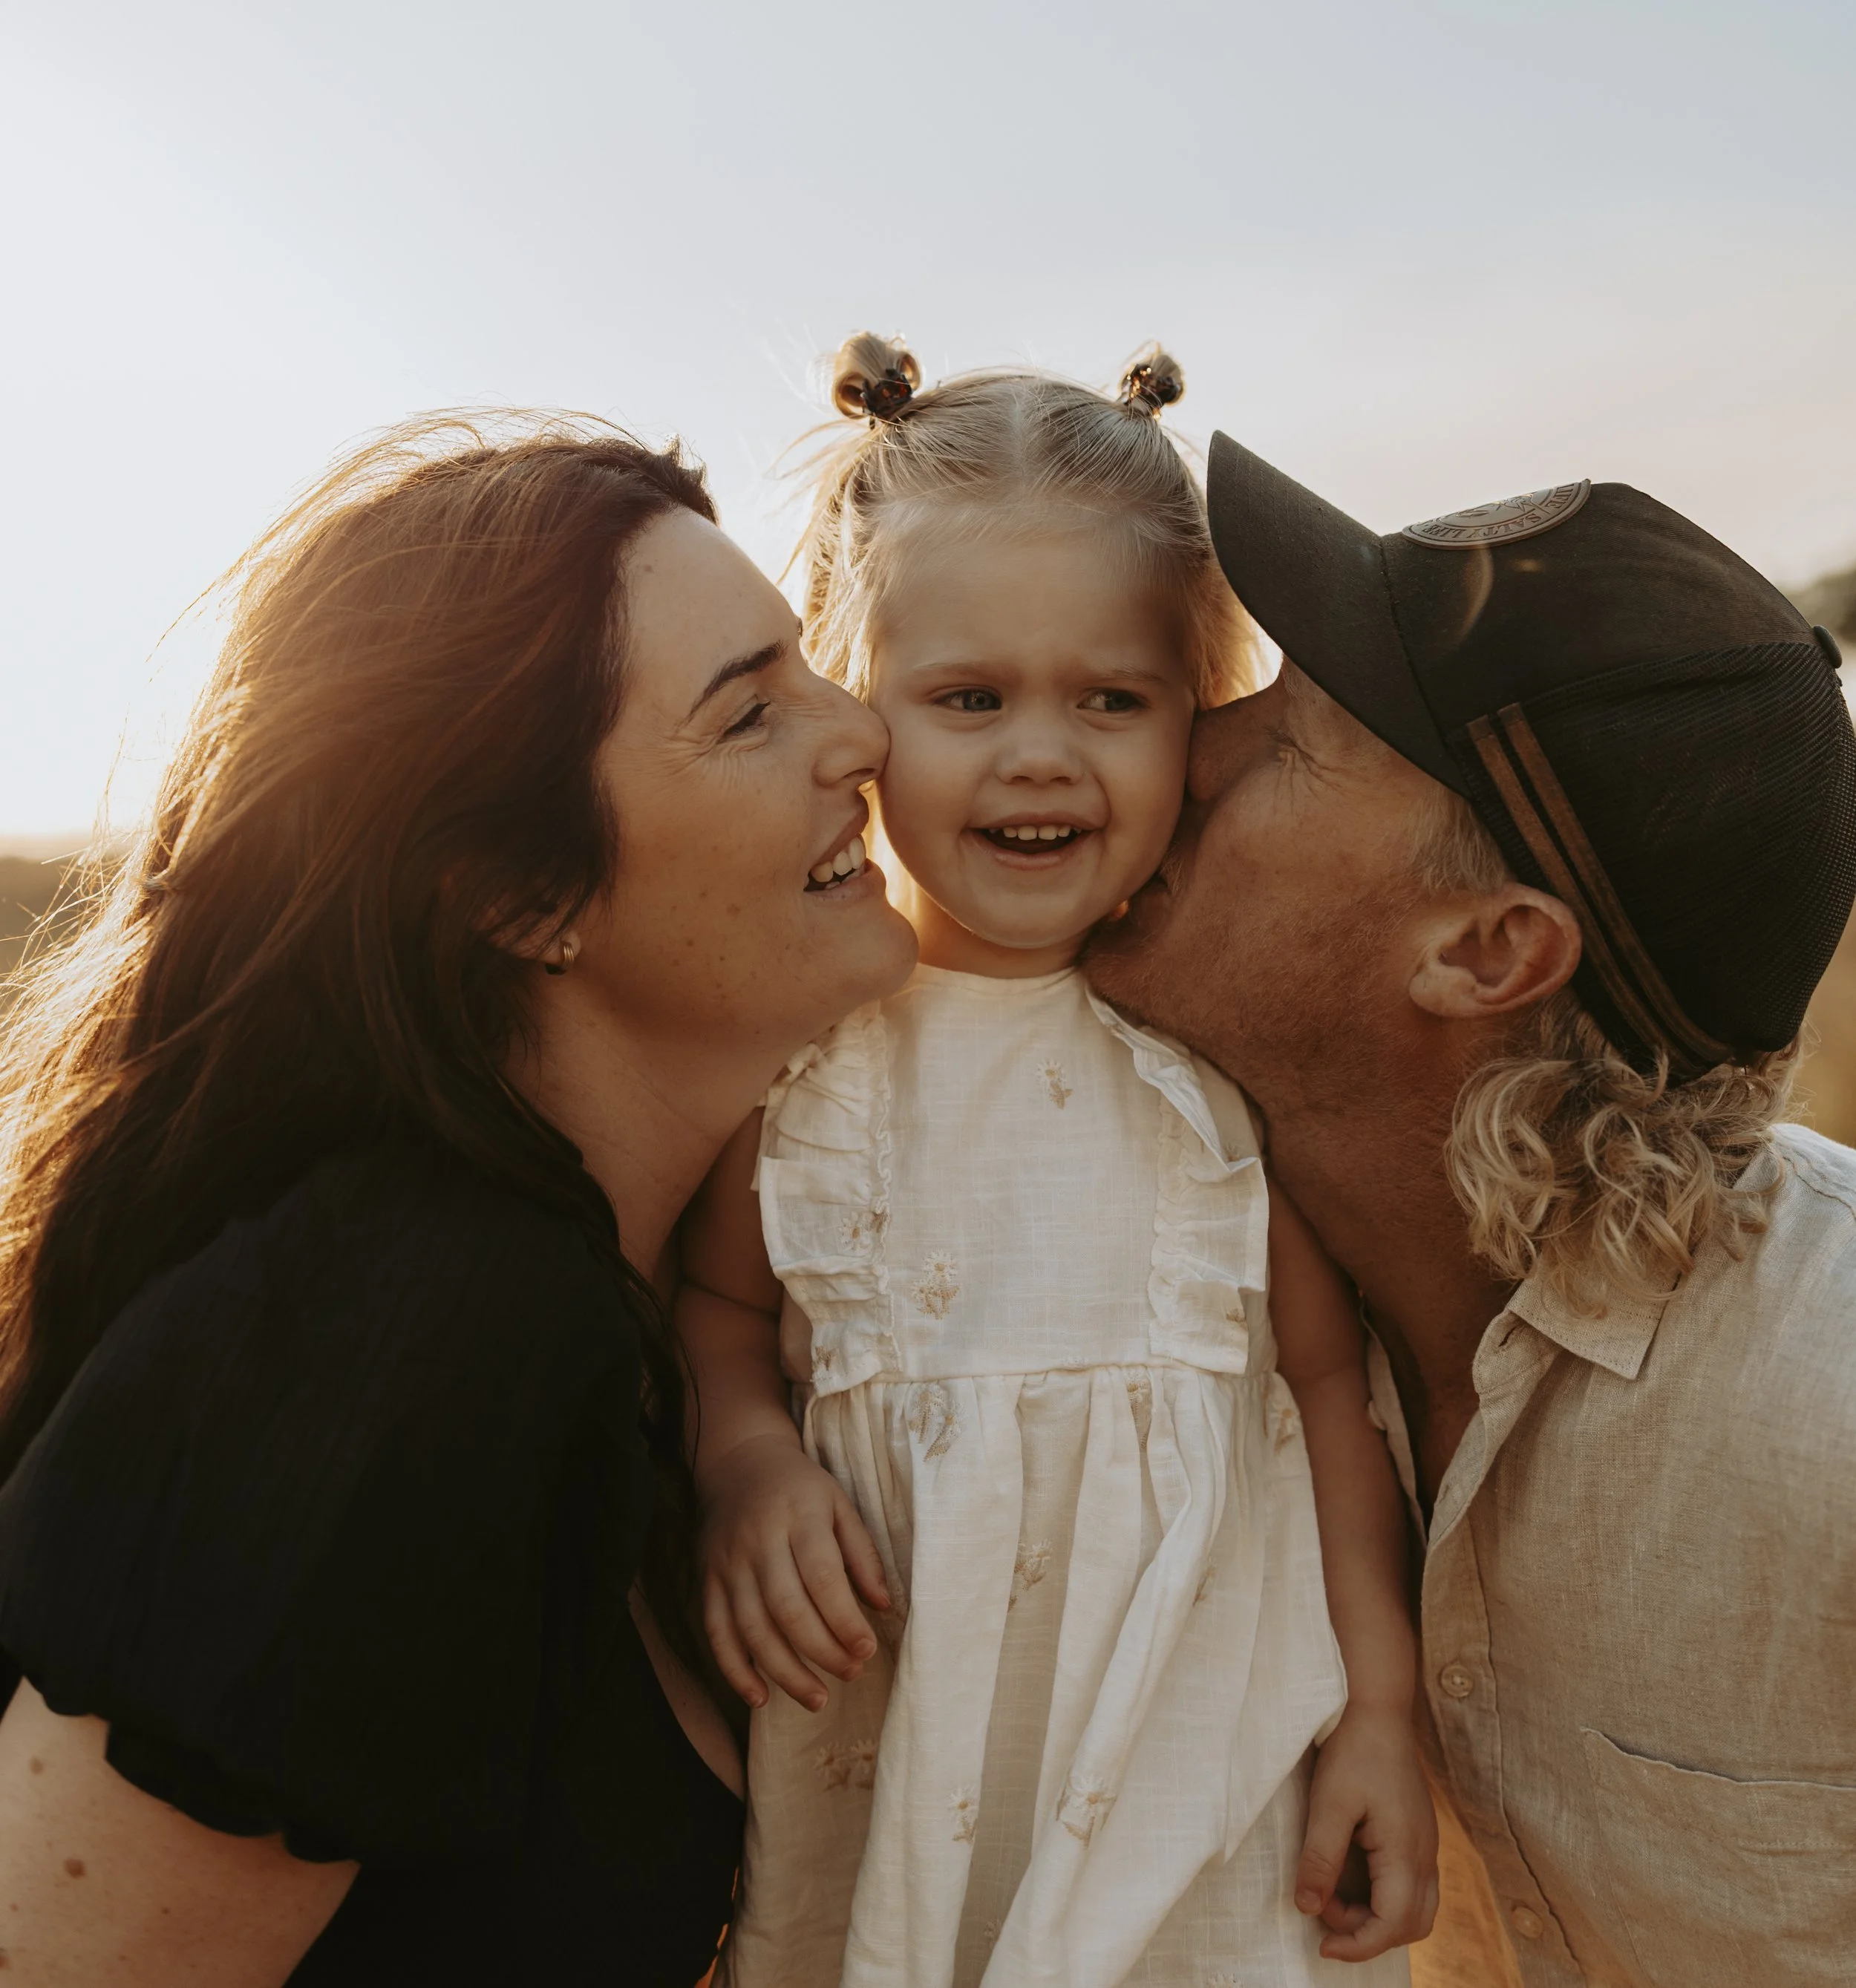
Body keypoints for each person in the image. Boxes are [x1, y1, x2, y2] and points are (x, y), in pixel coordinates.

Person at [0, 411, 919, 1987]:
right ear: (521, 894)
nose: (864, 734)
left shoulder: (645, 1316)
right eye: (749, 711)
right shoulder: (398, 1325)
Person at [679, 339, 1438, 1988]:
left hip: (1194, 1784)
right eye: (967, 700)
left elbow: (1325, 1400)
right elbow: (722, 1318)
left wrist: (1379, 1713)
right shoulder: (810, 1058)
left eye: (1111, 699)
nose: (1040, 753)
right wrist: (745, 1462)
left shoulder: (1217, 1054)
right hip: (893, 1755)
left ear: (1195, 715)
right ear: (854, 714)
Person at [1088, 445, 1856, 1988]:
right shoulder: (1158, 1328)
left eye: (1294, 732)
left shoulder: (1827, 1408)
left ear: (1487, 951)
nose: (1190, 741)